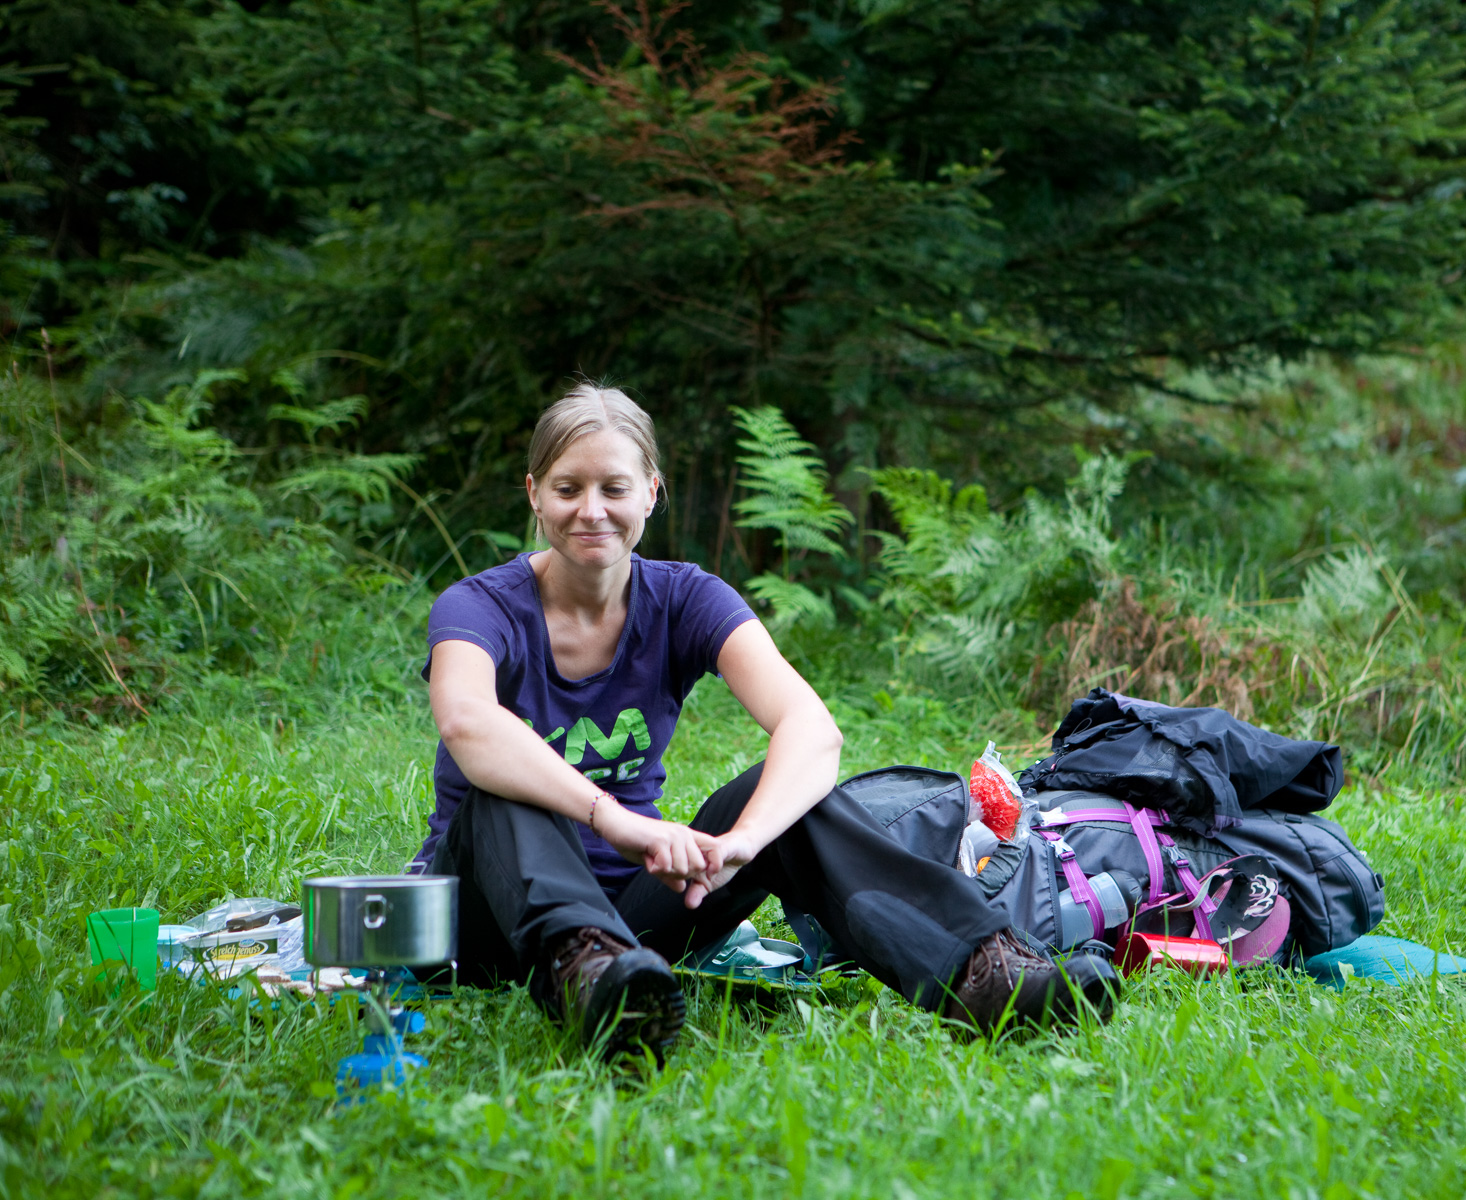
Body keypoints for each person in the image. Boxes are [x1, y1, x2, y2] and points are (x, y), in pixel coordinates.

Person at [412, 384, 1115, 1059]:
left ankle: (984, 975)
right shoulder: (479, 606)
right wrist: (614, 820)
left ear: (651, 492)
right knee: (507, 787)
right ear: (534, 494)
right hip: (483, 916)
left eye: (614, 488)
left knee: (784, 796)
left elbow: (812, 729)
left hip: (631, 930)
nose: (591, 510)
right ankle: (586, 980)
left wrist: (746, 842)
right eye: (568, 488)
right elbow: (470, 724)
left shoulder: (684, 598)